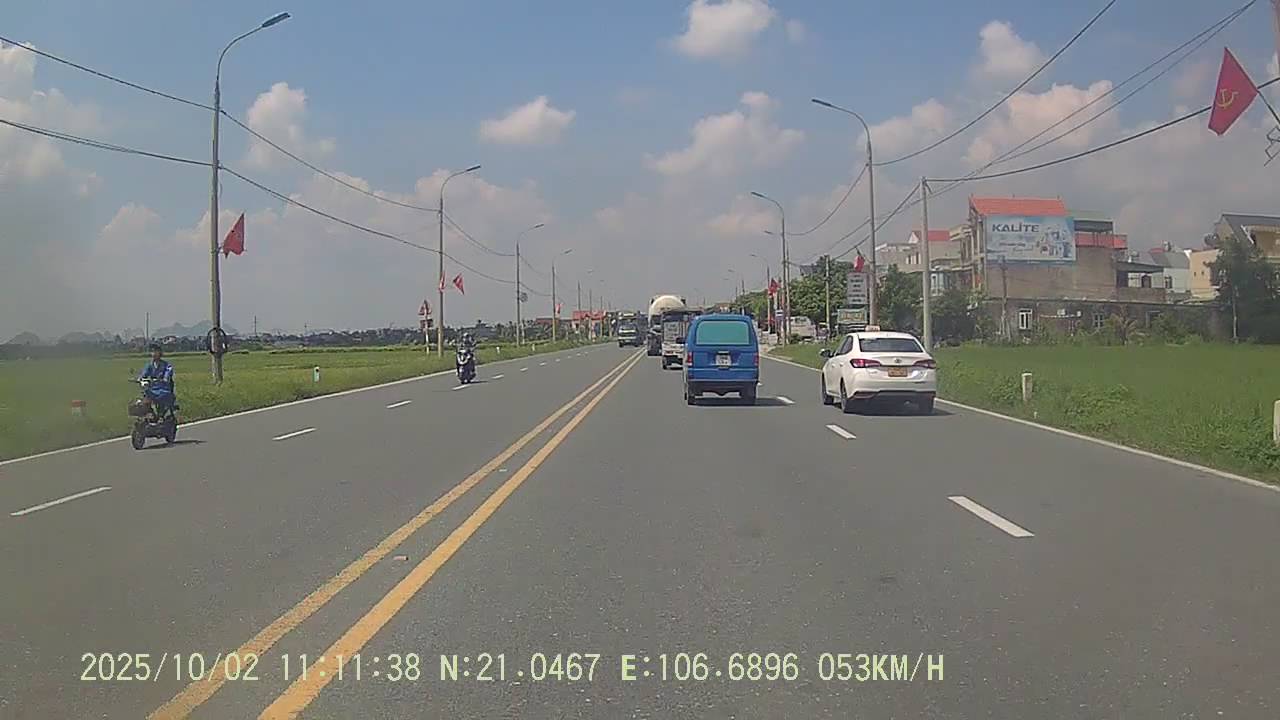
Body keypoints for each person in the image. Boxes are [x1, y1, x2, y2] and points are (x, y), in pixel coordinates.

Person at [138, 342, 177, 414]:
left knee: (163, 396)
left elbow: (168, 373)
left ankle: (161, 414)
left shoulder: (166, 365)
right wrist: (140, 379)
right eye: (152, 351)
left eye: (156, 351)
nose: (154, 354)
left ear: (160, 353)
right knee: (144, 398)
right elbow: (143, 374)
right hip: (152, 388)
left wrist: (164, 378)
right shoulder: (149, 365)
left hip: (163, 388)